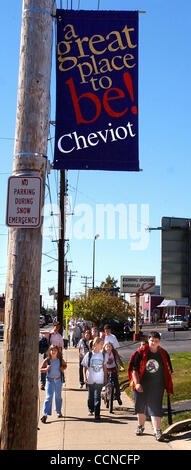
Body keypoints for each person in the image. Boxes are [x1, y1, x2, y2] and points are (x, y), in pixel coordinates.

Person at [128, 331, 173, 442]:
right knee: (140, 406)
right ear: (148, 340)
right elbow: (134, 369)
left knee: (156, 407)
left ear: (159, 342)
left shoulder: (163, 353)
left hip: (157, 385)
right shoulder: (140, 352)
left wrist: (167, 383)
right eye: (152, 340)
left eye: (156, 341)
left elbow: (168, 369)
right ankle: (141, 426)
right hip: (141, 384)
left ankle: (157, 431)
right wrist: (137, 383)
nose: (153, 343)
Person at [82, 337, 108, 421]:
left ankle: (97, 414)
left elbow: (105, 367)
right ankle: (91, 409)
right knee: (90, 397)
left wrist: (105, 378)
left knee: (97, 397)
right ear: (96, 344)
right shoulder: (89, 355)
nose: (102, 345)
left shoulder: (103, 355)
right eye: (101, 344)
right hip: (90, 379)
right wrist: (84, 377)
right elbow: (84, 367)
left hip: (99, 380)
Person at [40, 345, 67, 423]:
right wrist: (46, 369)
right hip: (49, 380)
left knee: (58, 396)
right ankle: (45, 414)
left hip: (58, 380)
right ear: (49, 352)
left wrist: (62, 368)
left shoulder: (60, 360)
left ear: (57, 352)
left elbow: (65, 365)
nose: (53, 352)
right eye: (51, 350)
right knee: (48, 397)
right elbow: (41, 369)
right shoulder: (47, 360)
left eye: (55, 350)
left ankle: (58, 411)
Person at [40, 321, 64, 389]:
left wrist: (60, 355)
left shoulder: (59, 336)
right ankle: (43, 383)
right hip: (48, 354)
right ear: (53, 326)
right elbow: (41, 332)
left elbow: (60, 346)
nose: (56, 328)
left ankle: (59, 382)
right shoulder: (49, 333)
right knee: (45, 367)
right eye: (55, 326)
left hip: (56, 354)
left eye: (58, 327)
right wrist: (49, 332)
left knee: (56, 368)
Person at [103, 341, 125, 405]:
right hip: (106, 370)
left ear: (112, 347)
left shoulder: (114, 352)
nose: (108, 348)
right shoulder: (103, 353)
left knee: (116, 384)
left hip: (113, 369)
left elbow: (118, 359)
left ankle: (118, 397)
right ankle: (106, 394)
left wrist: (122, 367)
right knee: (106, 383)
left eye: (110, 346)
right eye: (107, 346)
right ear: (104, 347)